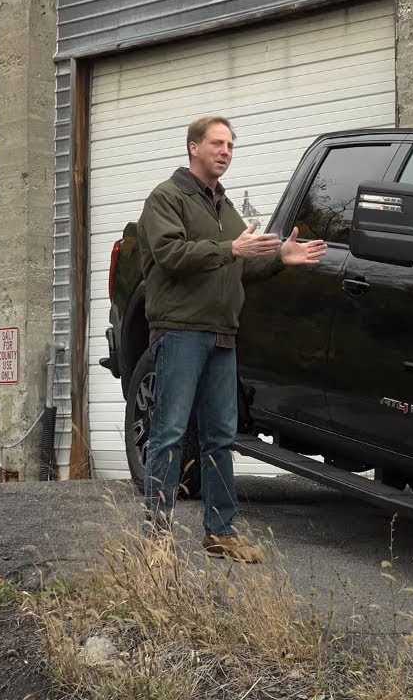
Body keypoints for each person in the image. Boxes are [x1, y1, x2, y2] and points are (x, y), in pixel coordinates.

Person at [137, 115, 327, 563]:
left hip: (222, 337)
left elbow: (242, 264)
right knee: (168, 436)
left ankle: (220, 533)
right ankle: (156, 541)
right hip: (181, 333)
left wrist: (280, 256)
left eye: (230, 146)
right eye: (217, 144)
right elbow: (170, 255)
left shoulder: (223, 206)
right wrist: (231, 250)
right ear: (193, 148)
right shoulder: (167, 198)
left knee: (220, 437)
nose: (225, 151)